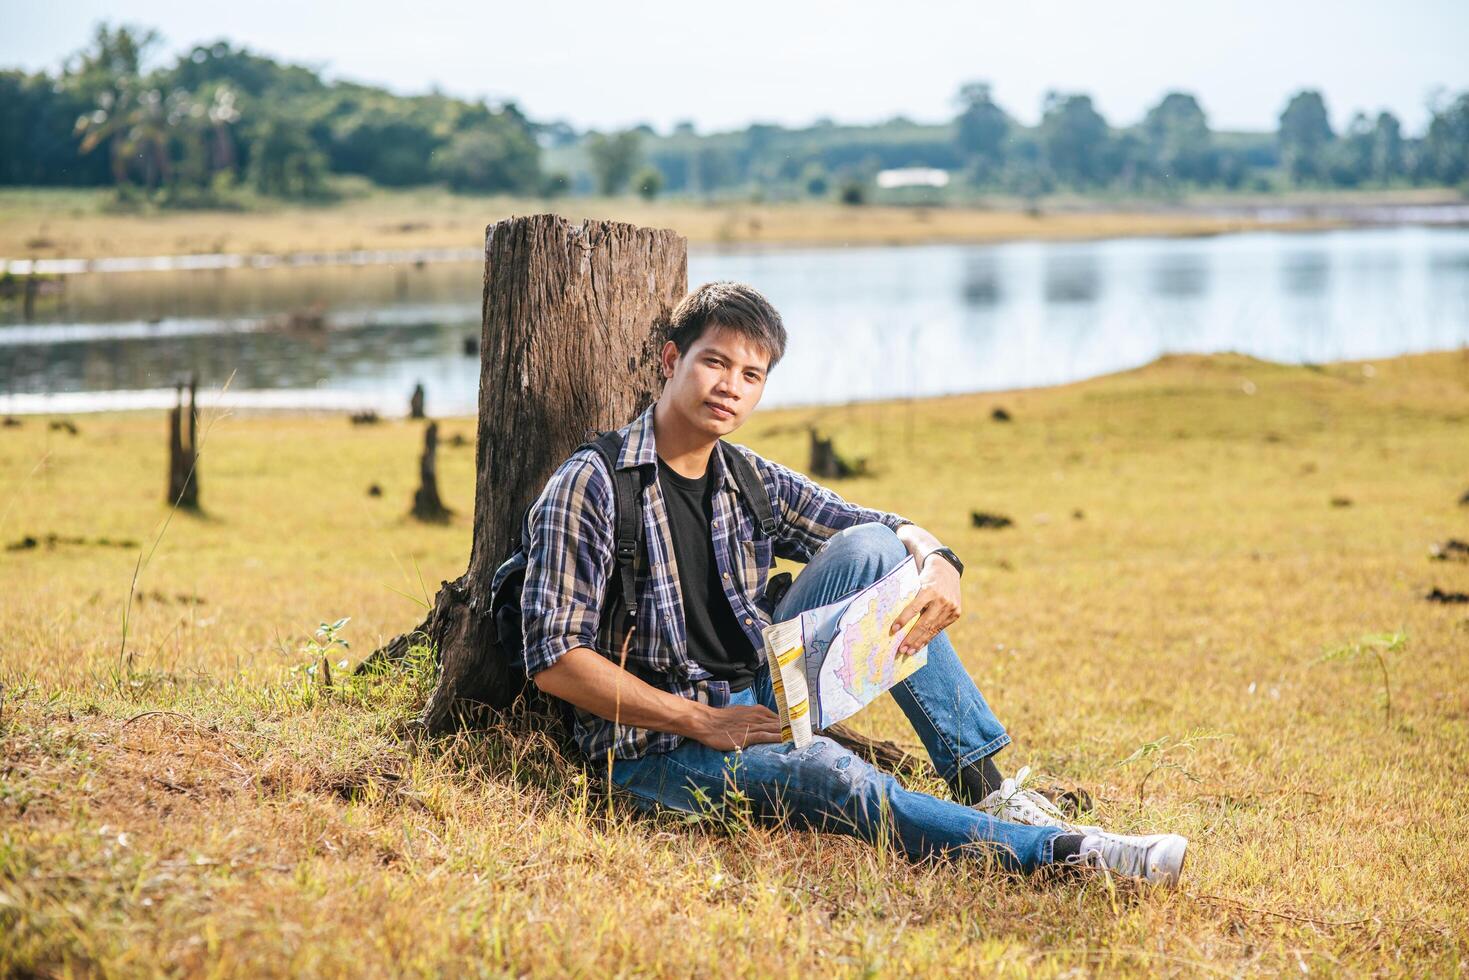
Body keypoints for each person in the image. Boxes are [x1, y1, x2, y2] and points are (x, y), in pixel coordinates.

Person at [513, 281, 1188, 884]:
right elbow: (555, 661)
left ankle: (984, 784)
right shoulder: (593, 485)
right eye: (713, 362)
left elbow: (881, 526)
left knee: (875, 550)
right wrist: (703, 720)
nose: (730, 386)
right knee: (831, 774)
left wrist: (939, 561)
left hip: (758, 694)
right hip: (656, 752)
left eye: (751, 374)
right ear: (671, 362)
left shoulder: (745, 476)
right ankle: (1064, 853)